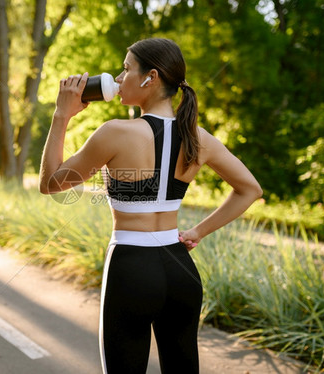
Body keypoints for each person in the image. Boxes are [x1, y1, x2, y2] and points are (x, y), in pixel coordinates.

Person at [39, 38, 262, 374]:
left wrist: (61, 114)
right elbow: (250, 189)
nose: (118, 76)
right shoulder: (198, 138)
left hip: (131, 267)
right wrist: (198, 232)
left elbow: (51, 183)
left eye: (127, 68)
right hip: (180, 268)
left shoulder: (114, 133)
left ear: (150, 77)